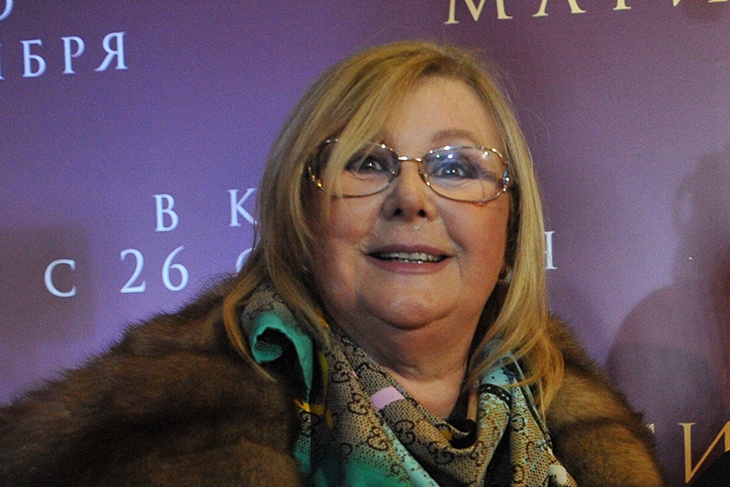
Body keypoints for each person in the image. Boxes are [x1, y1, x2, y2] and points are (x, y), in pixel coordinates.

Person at [0, 41, 664, 486]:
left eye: (456, 166)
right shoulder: (148, 429)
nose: (411, 197)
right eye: (367, 162)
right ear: (302, 211)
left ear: (510, 222)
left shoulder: (584, 426)